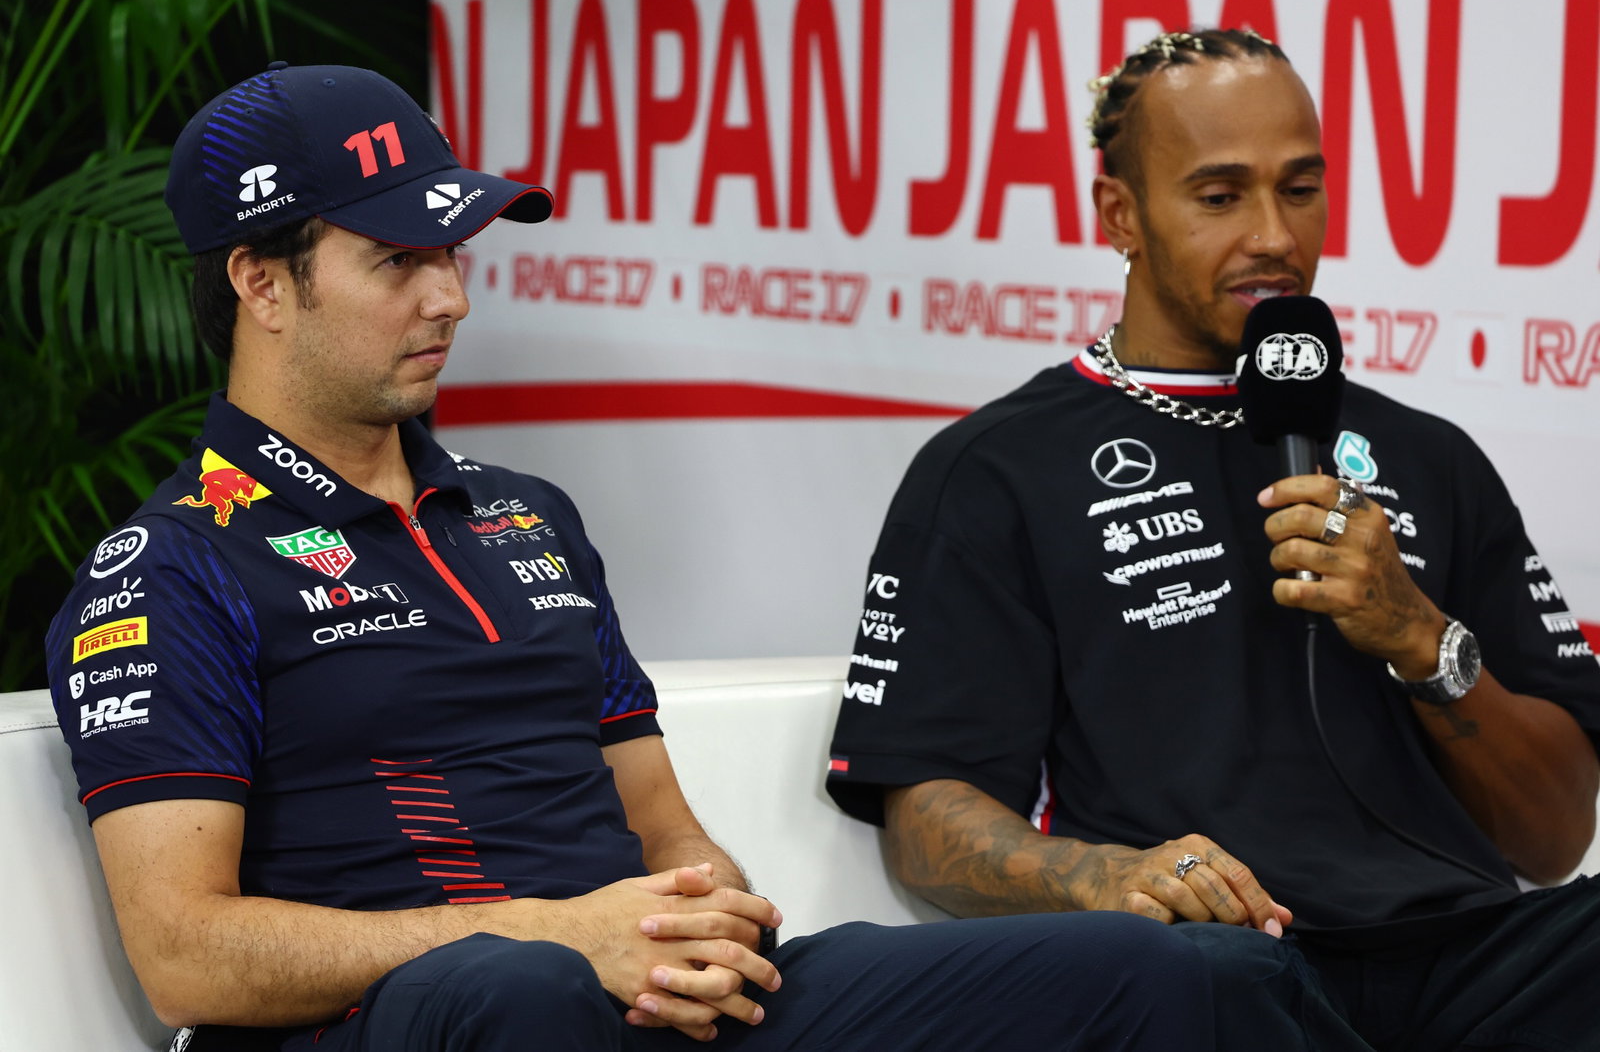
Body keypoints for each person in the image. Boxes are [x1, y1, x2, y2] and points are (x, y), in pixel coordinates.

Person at [44, 62, 1218, 1052]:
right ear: (262, 283)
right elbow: (184, 957)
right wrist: (554, 931)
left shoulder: (528, 516)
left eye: (452, 253)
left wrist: (705, 914)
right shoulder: (170, 567)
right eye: (397, 260)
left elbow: (662, 822)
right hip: (414, 1013)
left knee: (1157, 970)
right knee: (524, 992)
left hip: (628, 994)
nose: (450, 298)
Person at [827, 28, 1600, 1052]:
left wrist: (1421, 636)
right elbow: (926, 822)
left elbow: (1555, 840)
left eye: (1300, 189)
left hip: (1467, 957)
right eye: (1220, 195)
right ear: (1121, 214)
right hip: (1224, 964)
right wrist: (1106, 876)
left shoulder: (1431, 454)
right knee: (1204, 979)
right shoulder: (995, 469)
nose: (1274, 236)